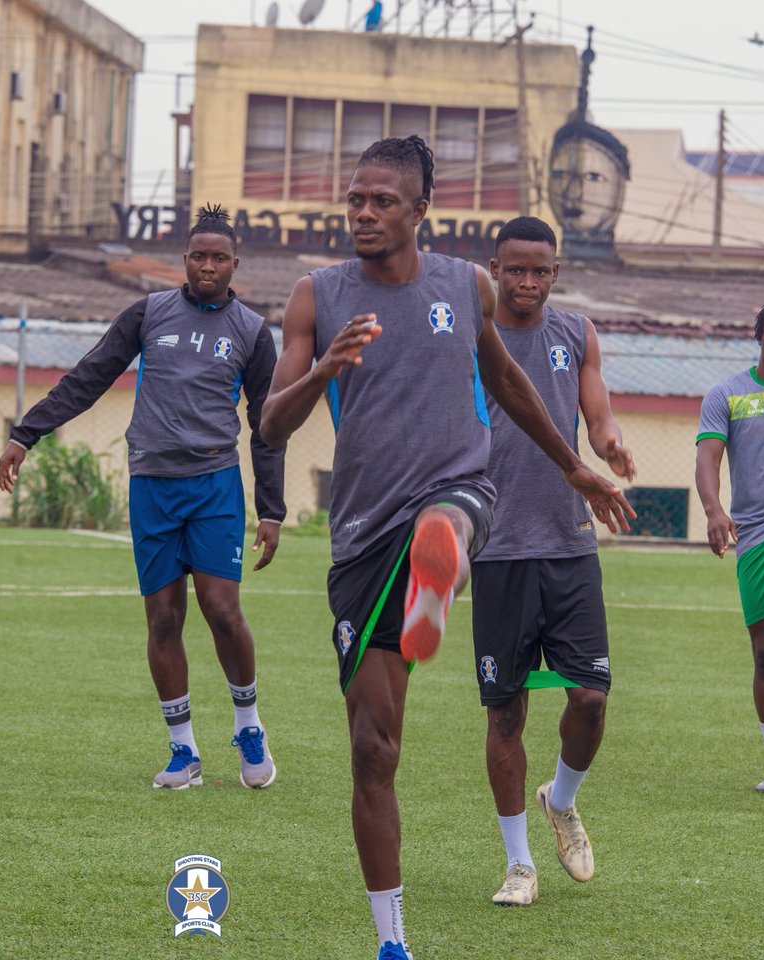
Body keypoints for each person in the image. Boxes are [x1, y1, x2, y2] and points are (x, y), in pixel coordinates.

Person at [259, 137, 633, 960]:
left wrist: (575, 466)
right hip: (363, 536)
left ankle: (444, 566)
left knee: (451, 517)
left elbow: (506, 383)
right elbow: (271, 424)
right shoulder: (316, 295)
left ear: (420, 210)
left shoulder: (465, 285)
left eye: (383, 201)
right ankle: (392, 942)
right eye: (356, 199)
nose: (364, 213)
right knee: (372, 749)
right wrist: (324, 369)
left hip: (459, 491)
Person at [0, 204, 286, 791]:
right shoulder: (148, 313)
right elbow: (90, 377)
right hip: (151, 484)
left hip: (214, 484)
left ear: (235, 264)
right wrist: (26, 434)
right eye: (198, 256)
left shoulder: (254, 332)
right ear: (185, 259)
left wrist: (272, 508)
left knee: (221, 610)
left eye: (219, 258)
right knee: (163, 619)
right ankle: (183, 750)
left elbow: (266, 425)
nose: (207, 266)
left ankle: (249, 727)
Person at [472, 216, 635, 908]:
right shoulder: (471, 337)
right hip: (497, 547)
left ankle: (561, 800)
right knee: (506, 713)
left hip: (568, 541)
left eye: (540, 271)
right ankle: (519, 865)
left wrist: (610, 441)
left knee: (590, 699)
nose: (528, 281)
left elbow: (596, 418)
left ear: (555, 273)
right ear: (494, 269)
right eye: (515, 269)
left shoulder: (577, 333)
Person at [696, 298, 764, 794]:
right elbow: (708, 459)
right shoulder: (727, 393)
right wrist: (714, 510)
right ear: (759, 335)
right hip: (759, 535)